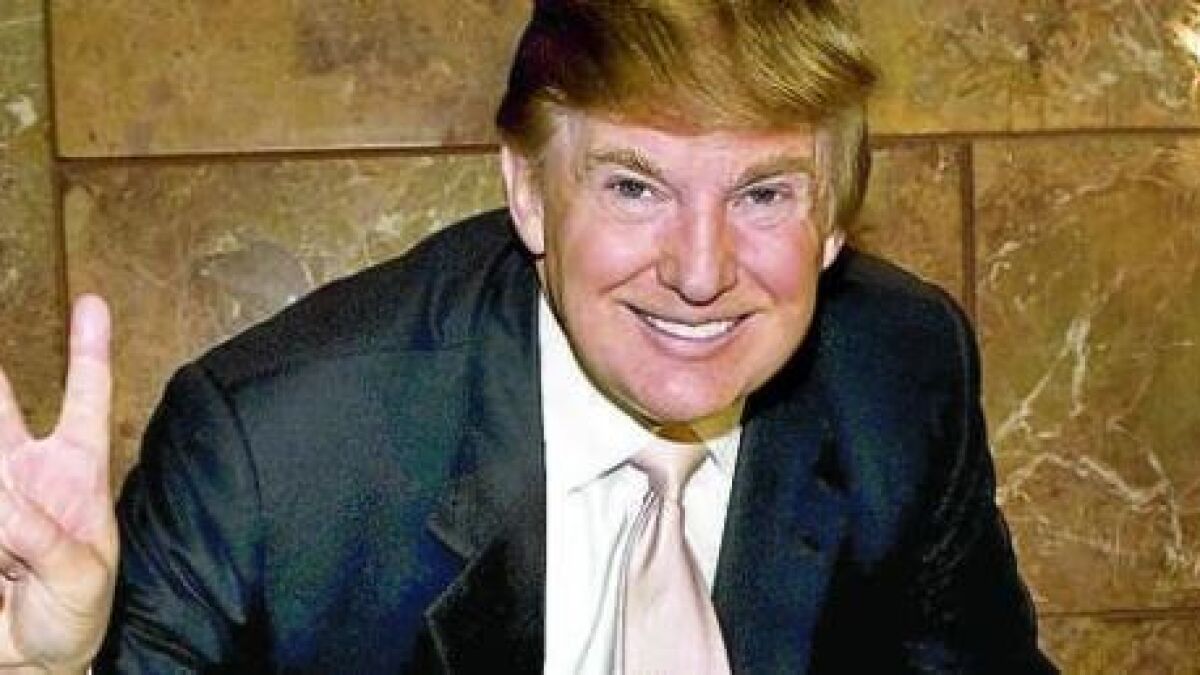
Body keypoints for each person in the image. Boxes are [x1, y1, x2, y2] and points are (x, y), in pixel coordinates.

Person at [0, 1, 1058, 672]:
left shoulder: (898, 375)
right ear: (530, 193)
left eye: (764, 193)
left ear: (831, 220)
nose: (700, 271)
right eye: (635, 186)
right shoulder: (277, 452)